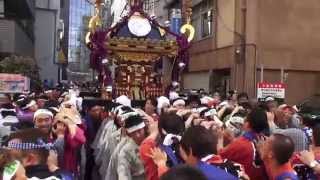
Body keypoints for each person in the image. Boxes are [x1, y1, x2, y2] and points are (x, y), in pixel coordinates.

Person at [219, 108, 269, 180]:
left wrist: (219, 138)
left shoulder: (240, 144)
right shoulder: (267, 141)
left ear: (247, 124)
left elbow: (219, 157)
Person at [140, 113, 185, 180]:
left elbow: (145, 144)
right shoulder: (186, 145)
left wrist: (155, 132)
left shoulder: (154, 148)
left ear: (162, 130)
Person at [117, 115, 146, 180]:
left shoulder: (153, 142)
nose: (137, 135)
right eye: (133, 133)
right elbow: (123, 173)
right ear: (129, 134)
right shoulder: (125, 151)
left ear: (144, 128)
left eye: (139, 131)